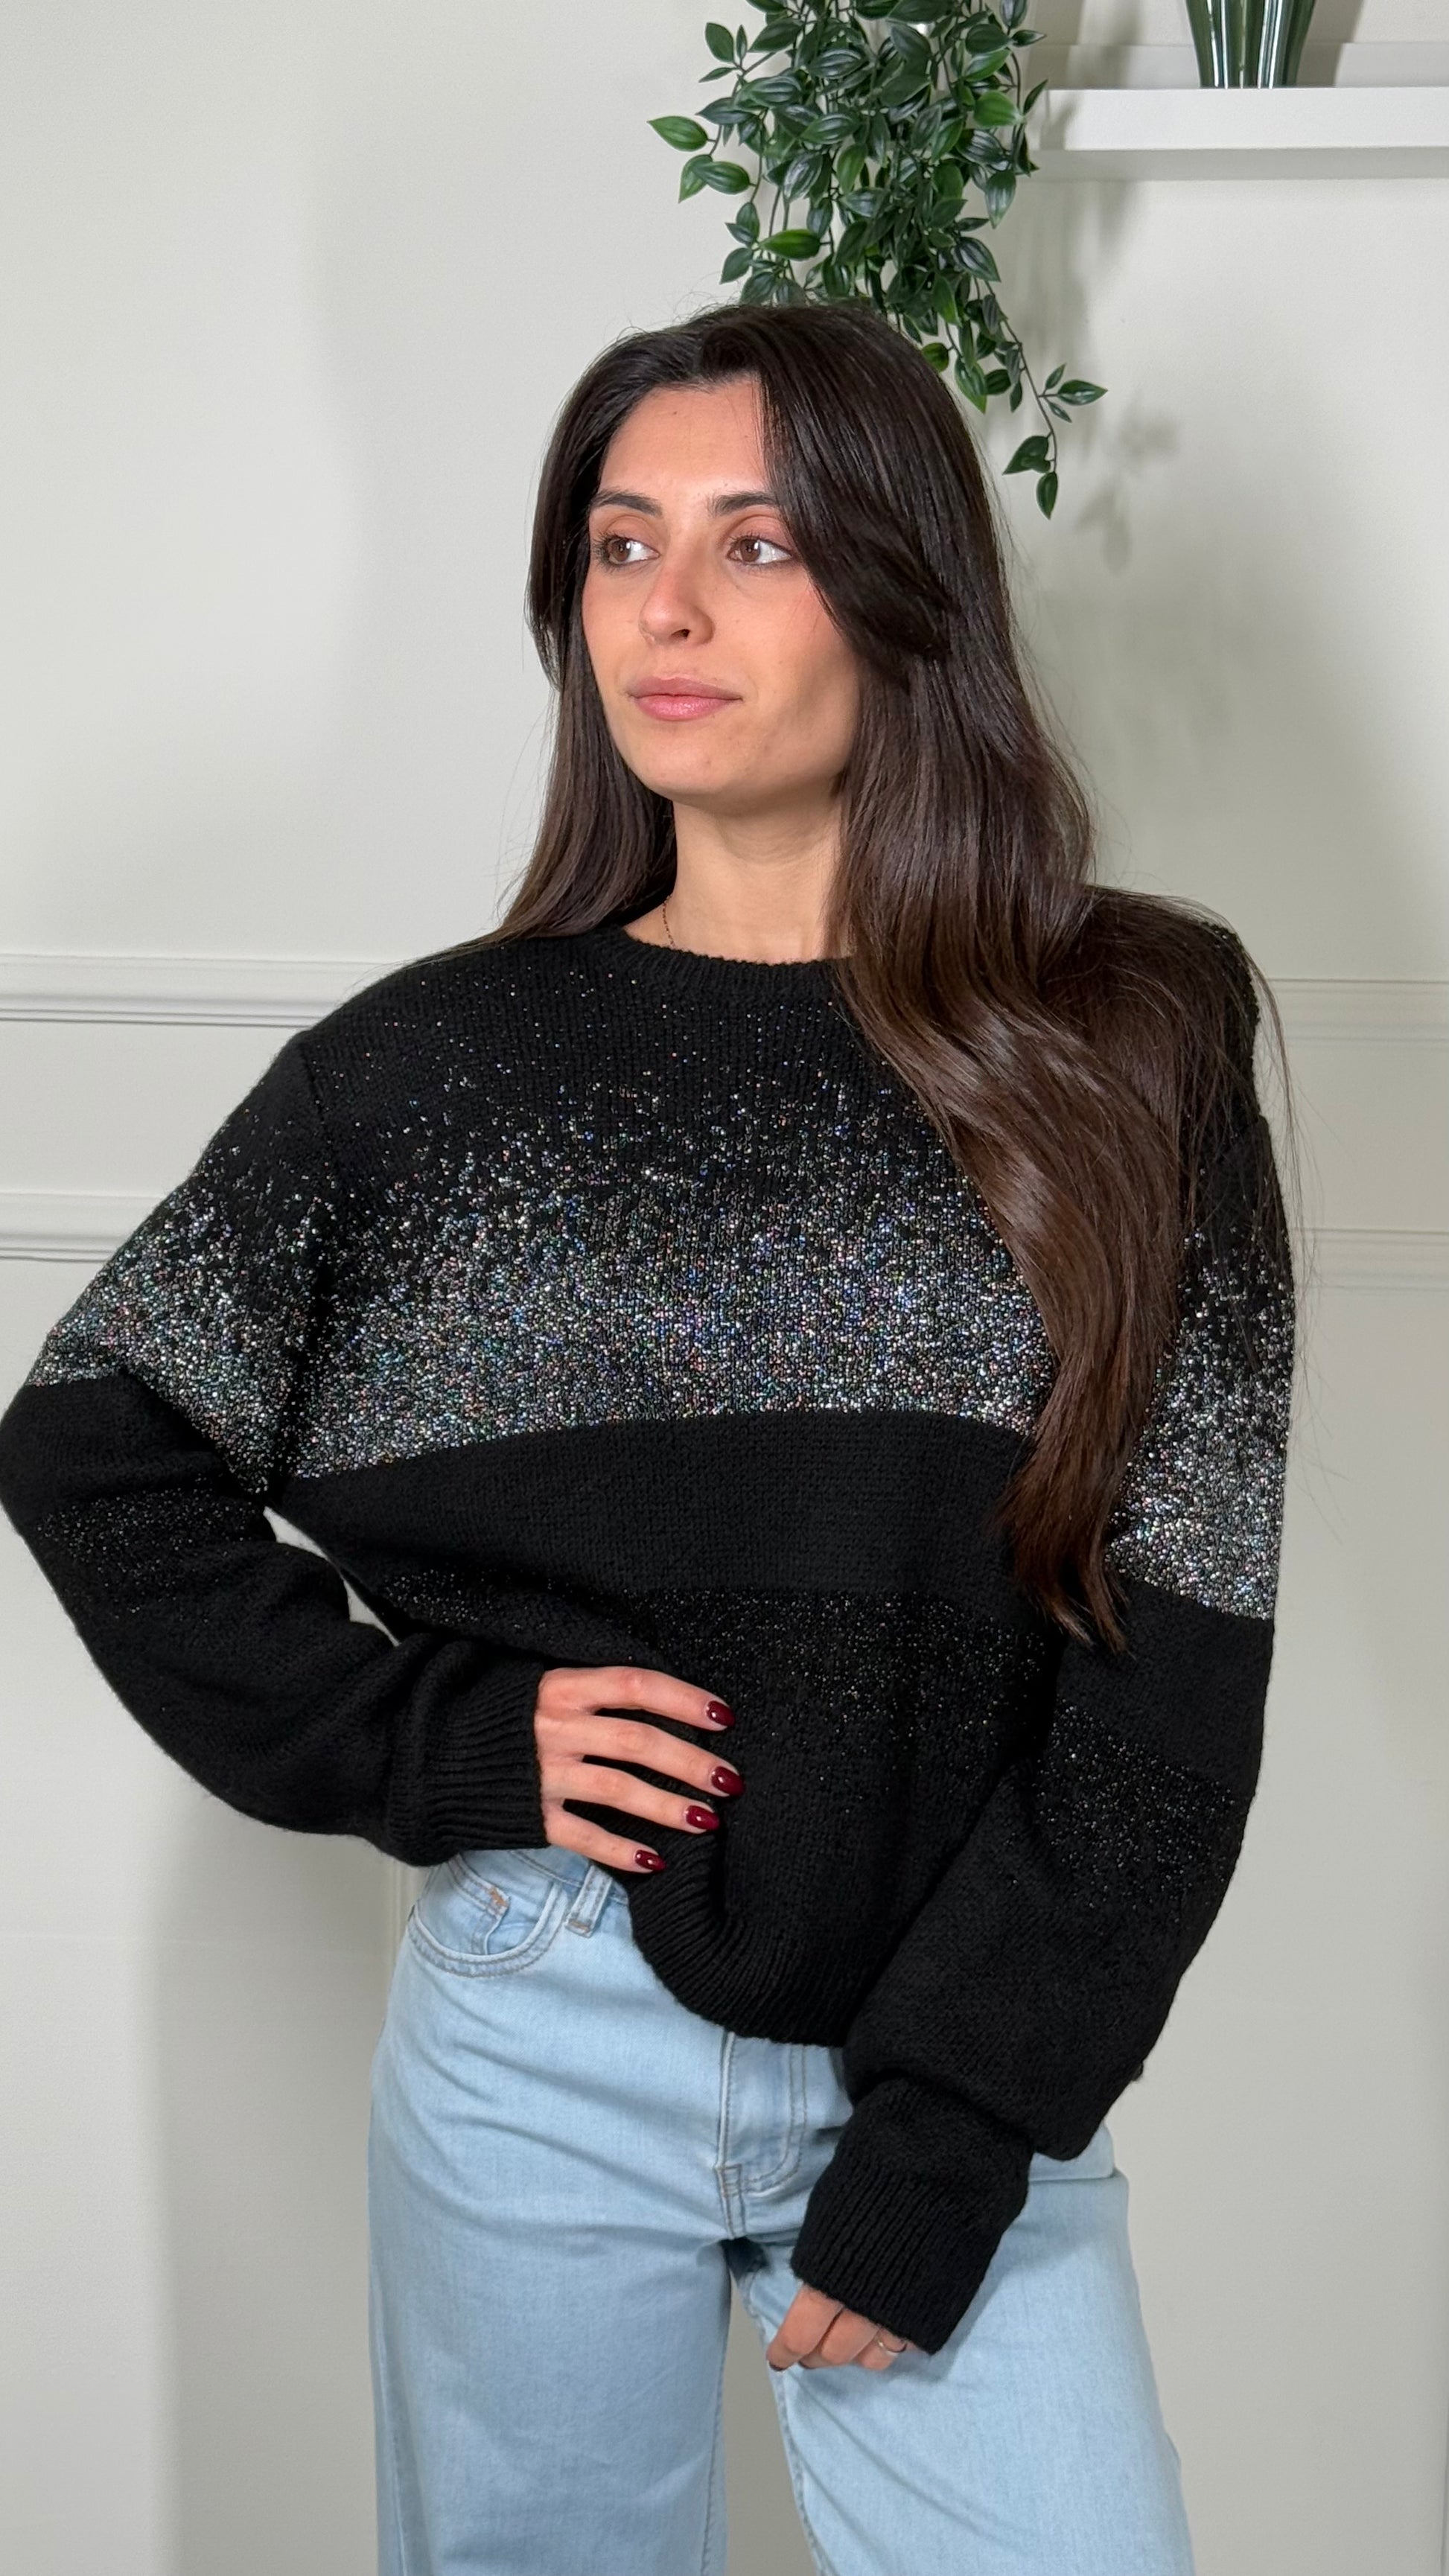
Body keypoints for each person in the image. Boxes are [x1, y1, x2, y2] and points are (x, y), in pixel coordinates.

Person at [0, 299, 1296, 2576]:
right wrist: (444, 1740)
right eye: (619, 543)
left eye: (754, 543)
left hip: (953, 2020)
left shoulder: (1126, 1036)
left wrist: (957, 2125)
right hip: (544, 2024)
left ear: (902, 588)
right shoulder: (436, 1072)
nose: (663, 609)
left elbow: (1174, 1653)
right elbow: (95, 1444)